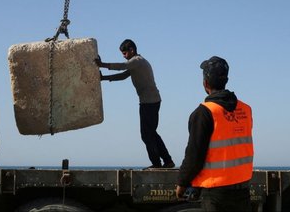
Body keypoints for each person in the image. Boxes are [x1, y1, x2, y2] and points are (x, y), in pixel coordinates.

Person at [175, 56, 253, 212]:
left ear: (205, 83)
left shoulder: (204, 112)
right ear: (226, 79)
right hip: (243, 190)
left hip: (216, 192)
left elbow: (194, 155)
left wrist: (182, 183)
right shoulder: (245, 109)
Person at [95, 39, 175, 169]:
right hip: (151, 101)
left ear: (132, 50)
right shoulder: (135, 64)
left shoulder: (137, 61)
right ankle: (168, 161)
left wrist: (102, 64)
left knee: (146, 135)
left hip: (149, 102)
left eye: (125, 53)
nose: (124, 56)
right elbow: (123, 75)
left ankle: (157, 164)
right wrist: (104, 78)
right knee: (151, 133)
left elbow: (122, 66)